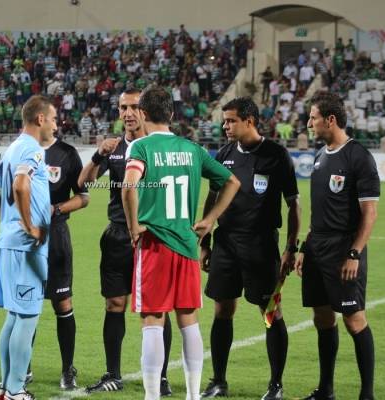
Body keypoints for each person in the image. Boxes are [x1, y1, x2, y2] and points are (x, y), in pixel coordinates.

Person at [122, 85, 240, 400]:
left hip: (155, 245)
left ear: (142, 113)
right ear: (172, 114)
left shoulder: (141, 147)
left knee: (152, 320)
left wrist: (133, 227)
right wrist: (210, 218)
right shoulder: (192, 149)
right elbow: (232, 182)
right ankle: (192, 395)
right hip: (187, 245)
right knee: (188, 321)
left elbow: (128, 186)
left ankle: (151, 396)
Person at [199, 97, 301, 400]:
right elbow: (213, 197)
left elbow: (293, 205)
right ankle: (218, 381)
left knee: (270, 312)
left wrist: (290, 247)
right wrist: (206, 242)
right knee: (222, 309)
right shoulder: (225, 154)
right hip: (226, 243)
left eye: (231, 120)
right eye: (224, 121)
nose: (225, 126)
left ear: (250, 121)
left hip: (261, 245)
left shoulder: (276, 155)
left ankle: (275, 385)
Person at [79, 89, 174, 396]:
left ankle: (161, 377)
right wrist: (98, 154)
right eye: (123, 108)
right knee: (114, 304)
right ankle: (113, 374)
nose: (128, 113)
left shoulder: (158, 147)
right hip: (118, 236)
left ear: (145, 111)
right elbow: (83, 183)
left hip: (152, 237)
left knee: (157, 309)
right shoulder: (115, 147)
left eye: (134, 107)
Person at [295, 92, 380, 400]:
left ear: (330, 120)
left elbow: (370, 213)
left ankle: (366, 395)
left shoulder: (358, 156)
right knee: (322, 318)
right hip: (316, 249)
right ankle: (326, 391)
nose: (309, 123)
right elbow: (319, 211)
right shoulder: (320, 155)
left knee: (354, 319)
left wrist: (355, 253)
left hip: (343, 251)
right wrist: (304, 248)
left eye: (313, 118)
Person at [0, 95, 56, 400]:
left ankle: (5, 388)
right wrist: (28, 225)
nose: (55, 125)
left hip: (10, 244)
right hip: (26, 247)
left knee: (14, 318)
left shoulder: (13, 148)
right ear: (40, 119)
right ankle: (15, 390)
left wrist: (7, 217)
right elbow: (21, 184)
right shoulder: (32, 149)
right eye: (53, 119)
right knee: (27, 319)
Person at [40, 130, 90, 389]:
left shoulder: (67, 154)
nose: (55, 123)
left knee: (62, 302)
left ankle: (67, 369)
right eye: (51, 118)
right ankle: (23, 368)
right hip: (24, 236)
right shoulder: (21, 149)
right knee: (26, 304)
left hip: (56, 235)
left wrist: (56, 208)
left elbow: (84, 197)